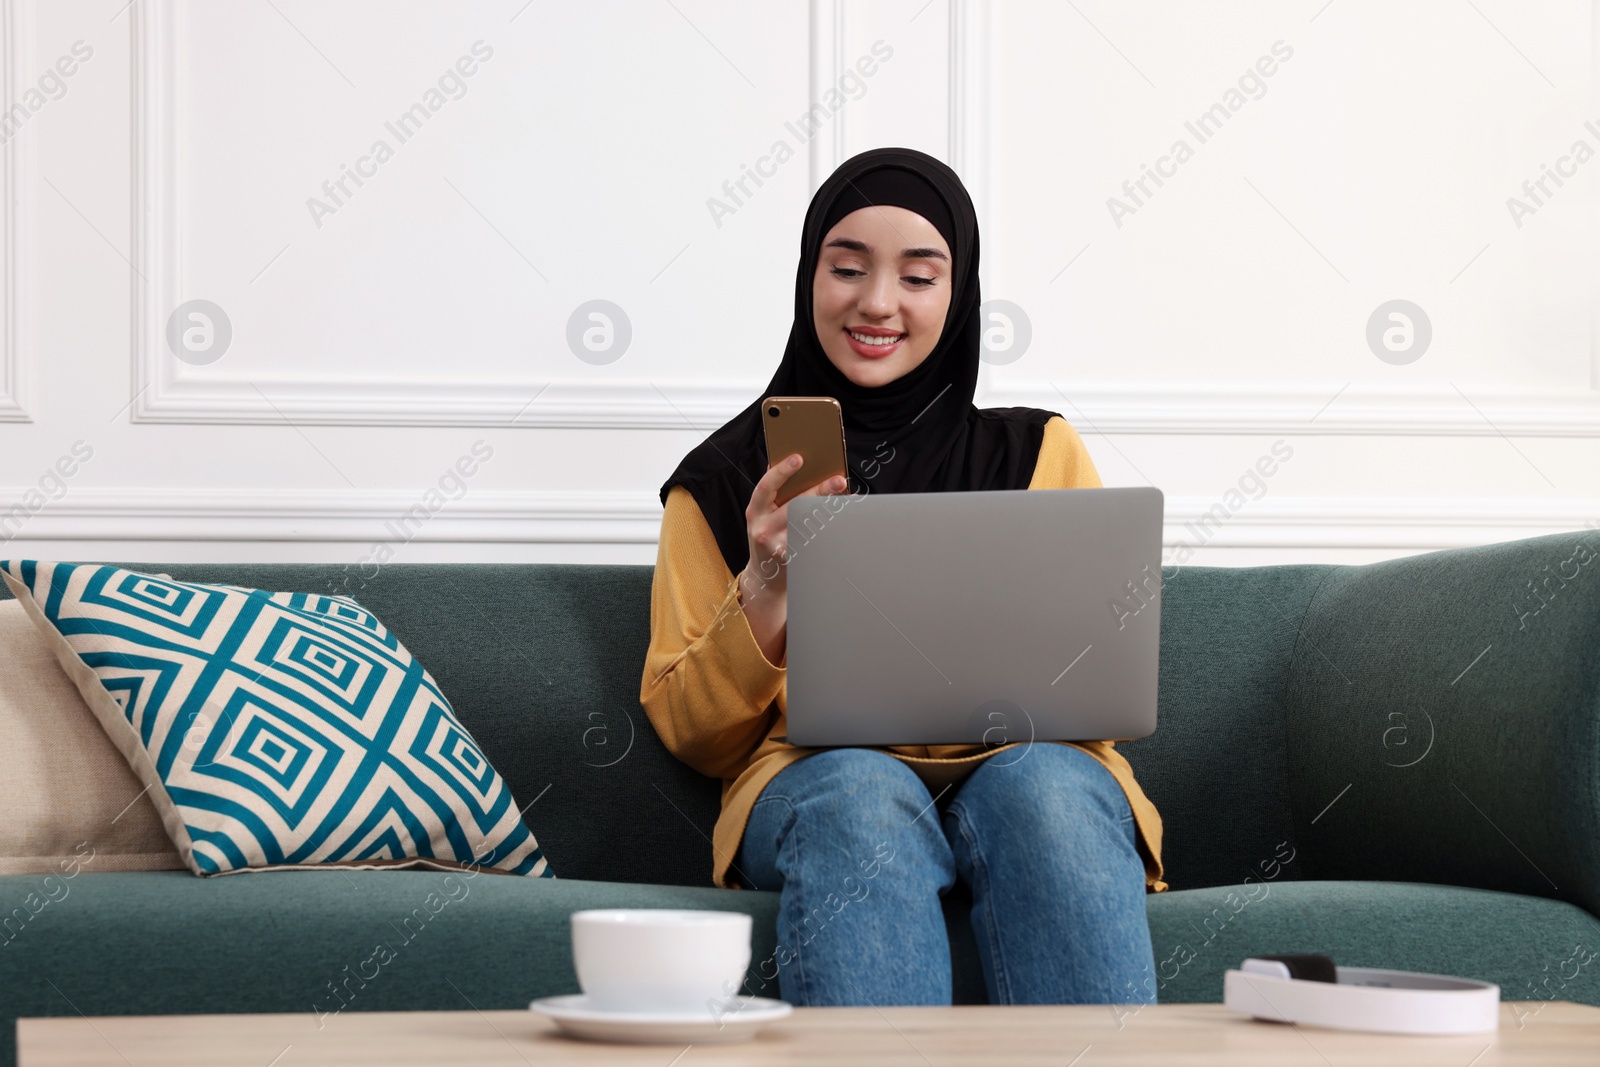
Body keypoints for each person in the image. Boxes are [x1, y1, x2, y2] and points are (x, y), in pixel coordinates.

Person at [641, 146, 1164, 1008]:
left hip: (1031, 763)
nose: (877, 302)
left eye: (918, 277)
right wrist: (768, 581)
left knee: (1046, 790)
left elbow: (1108, 671)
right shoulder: (726, 479)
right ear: (810, 279)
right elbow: (694, 733)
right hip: (817, 779)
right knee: (859, 789)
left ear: (957, 298)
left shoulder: (1038, 451)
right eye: (847, 268)